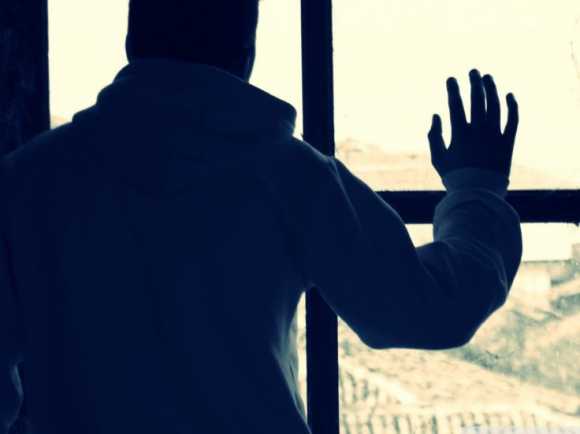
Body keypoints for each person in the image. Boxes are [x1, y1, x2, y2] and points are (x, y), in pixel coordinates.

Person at [0, 0, 522, 433]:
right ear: (246, 50)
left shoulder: (28, 181)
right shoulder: (288, 175)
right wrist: (476, 187)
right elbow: (426, 308)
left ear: (132, 40)